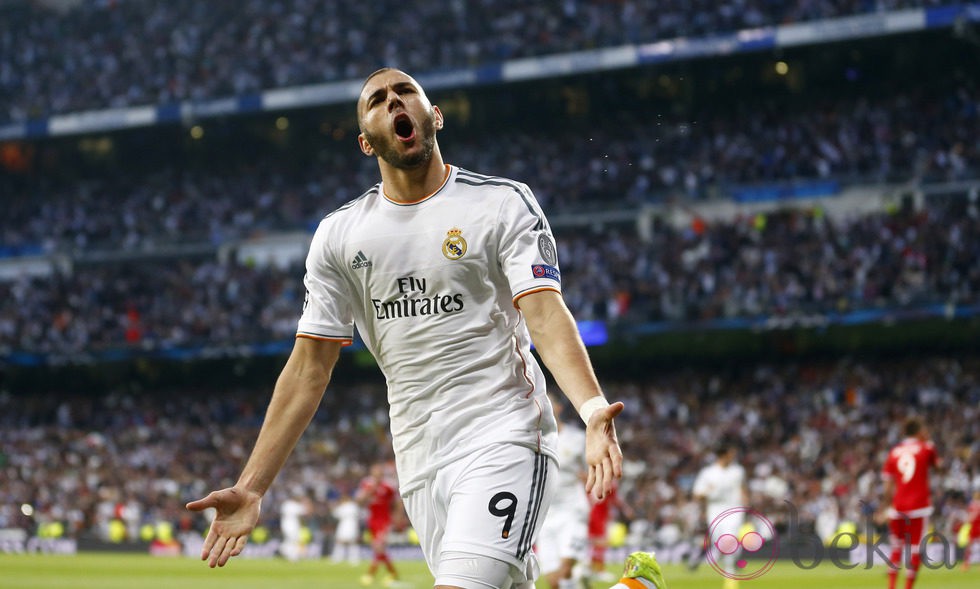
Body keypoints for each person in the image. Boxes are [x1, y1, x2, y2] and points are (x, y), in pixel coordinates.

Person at [185, 67, 665, 589]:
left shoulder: (500, 203)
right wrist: (253, 487)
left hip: (504, 433)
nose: (395, 102)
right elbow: (308, 368)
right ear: (366, 142)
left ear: (433, 116)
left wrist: (592, 409)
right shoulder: (340, 236)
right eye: (378, 100)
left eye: (406, 92)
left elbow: (545, 312)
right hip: (417, 456)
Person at [879, 416, 941, 589]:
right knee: (915, 549)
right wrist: (930, 445)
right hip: (919, 507)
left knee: (896, 549)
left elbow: (887, 485)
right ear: (919, 431)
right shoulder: (926, 448)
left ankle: (891, 586)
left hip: (897, 507)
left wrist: (885, 507)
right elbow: (939, 468)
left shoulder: (894, 452)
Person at [537, 393, 591, 589]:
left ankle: (577, 574)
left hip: (572, 510)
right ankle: (579, 583)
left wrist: (589, 479)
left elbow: (590, 469)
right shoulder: (531, 440)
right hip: (544, 515)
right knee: (554, 582)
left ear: (558, 408)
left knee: (566, 568)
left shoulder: (577, 438)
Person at [690, 438, 747, 588]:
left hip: (734, 509)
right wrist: (708, 492)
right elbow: (696, 495)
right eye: (731, 454)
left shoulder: (738, 471)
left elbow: (742, 489)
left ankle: (730, 576)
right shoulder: (708, 473)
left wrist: (747, 506)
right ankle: (733, 560)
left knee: (730, 539)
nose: (733, 456)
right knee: (720, 542)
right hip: (715, 509)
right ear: (723, 455)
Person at [357, 462, 401, 585]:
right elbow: (359, 501)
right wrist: (369, 491)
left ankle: (370, 575)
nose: (377, 475)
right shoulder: (366, 484)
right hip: (371, 520)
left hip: (385, 520)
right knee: (378, 549)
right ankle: (393, 574)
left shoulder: (389, 485)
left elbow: (397, 502)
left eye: (379, 472)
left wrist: (397, 518)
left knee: (379, 546)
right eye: (375, 472)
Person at [278, 488, 312, 562]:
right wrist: (307, 502)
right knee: (293, 540)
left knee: (290, 540)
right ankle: (289, 554)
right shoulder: (294, 505)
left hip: (287, 524)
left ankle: (286, 552)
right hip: (291, 524)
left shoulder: (286, 504)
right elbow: (307, 512)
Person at [331, 489, 362, 565]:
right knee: (352, 543)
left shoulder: (344, 507)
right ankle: (354, 559)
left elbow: (335, 514)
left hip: (344, 525)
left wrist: (334, 506)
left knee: (340, 542)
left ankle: (337, 558)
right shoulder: (354, 506)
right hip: (352, 525)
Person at [963, 488, 980, 572]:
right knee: (969, 546)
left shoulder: (973, 504)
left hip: (976, 527)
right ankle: (966, 563)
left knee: (969, 546)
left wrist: (968, 519)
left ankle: (966, 563)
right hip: (975, 528)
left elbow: (970, 517)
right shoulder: (972, 504)